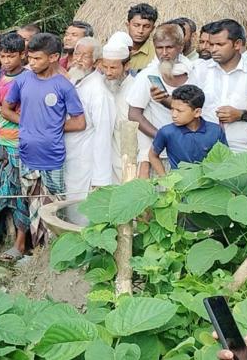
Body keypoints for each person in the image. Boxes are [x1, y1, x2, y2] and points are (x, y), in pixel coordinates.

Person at [1, 33, 85, 250]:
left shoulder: (64, 86)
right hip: (27, 154)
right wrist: (27, 122)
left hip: (53, 157)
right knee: (32, 203)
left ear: (54, 57)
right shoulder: (23, 80)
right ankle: (38, 251)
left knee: (54, 205)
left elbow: (79, 122)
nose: (31, 63)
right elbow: (6, 109)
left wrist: (51, 125)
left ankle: (55, 251)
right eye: (30, 58)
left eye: (37, 59)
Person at [0, 33, 30, 258]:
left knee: (21, 194)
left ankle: (19, 245)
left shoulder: (30, 78)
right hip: (0, 141)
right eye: (3, 56)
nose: (6, 60)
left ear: (23, 55)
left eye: (11, 56)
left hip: (21, 144)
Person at [127, 24, 192, 178]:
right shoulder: (147, 76)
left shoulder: (193, 72)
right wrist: (161, 137)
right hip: (160, 156)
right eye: (159, 48)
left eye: (169, 47)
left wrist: (165, 100)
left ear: (181, 47)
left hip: (190, 151)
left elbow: (196, 110)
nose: (164, 53)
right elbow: (134, 114)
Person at [63, 37, 115, 224]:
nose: (79, 59)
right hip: (71, 156)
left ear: (96, 61)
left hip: (87, 161)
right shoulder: (74, 80)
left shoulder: (99, 89)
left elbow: (103, 133)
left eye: (86, 56)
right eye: (77, 53)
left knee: (83, 211)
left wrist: (100, 177)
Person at [191, 19, 247, 154]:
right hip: (205, 150)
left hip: (245, 152)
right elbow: (186, 106)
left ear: (237, 44)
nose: (213, 49)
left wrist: (241, 115)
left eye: (220, 44)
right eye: (211, 44)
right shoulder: (200, 70)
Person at [149, 85, 228, 176]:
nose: (174, 114)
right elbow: (153, 155)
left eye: (179, 111)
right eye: (172, 109)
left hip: (209, 184)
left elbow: (224, 159)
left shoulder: (216, 131)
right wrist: (165, 179)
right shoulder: (166, 132)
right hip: (180, 187)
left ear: (197, 112)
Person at [99, 42, 136, 184]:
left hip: (128, 159)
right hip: (108, 159)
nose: (108, 73)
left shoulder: (134, 90)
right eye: (105, 67)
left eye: (113, 68)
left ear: (126, 66)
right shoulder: (103, 85)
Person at [127, 3, 159, 71]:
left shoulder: (156, 53)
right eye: (136, 25)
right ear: (128, 25)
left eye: (146, 27)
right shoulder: (115, 47)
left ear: (152, 29)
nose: (140, 31)